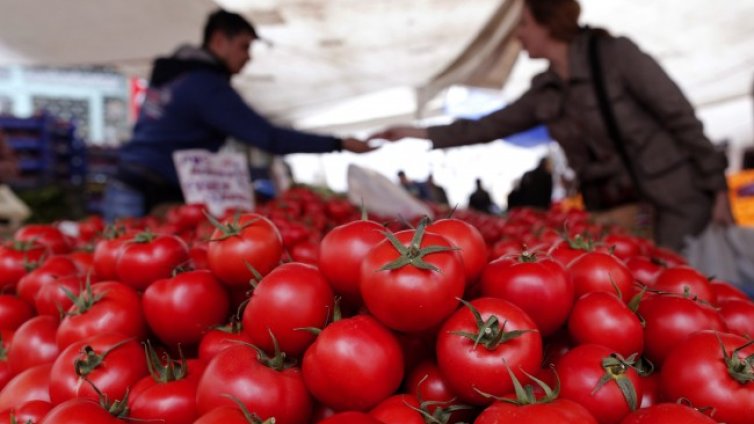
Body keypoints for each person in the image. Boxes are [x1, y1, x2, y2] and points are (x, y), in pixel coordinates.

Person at [370, 0, 732, 251]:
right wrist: (414, 133)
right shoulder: (544, 90)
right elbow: (488, 126)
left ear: (549, 23)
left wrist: (717, 189)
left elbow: (680, 117)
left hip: (674, 201)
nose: (519, 36)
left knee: (683, 287)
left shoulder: (615, 55)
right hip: (616, 212)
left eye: (524, 25)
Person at [106, 9, 371, 220]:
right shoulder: (206, 85)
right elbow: (269, 138)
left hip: (133, 181)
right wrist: (338, 143)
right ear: (220, 41)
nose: (248, 57)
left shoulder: (176, 73)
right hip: (147, 190)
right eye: (244, 46)